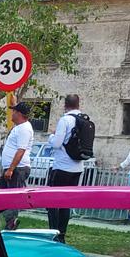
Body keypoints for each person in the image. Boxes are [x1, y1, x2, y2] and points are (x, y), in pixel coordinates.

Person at [44, 92, 85, 242]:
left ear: (65, 105)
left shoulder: (65, 120)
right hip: (77, 167)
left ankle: (54, 234)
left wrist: (51, 136)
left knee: (53, 201)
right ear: (78, 104)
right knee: (66, 203)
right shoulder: (84, 120)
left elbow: (56, 143)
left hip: (62, 166)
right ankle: (62, 234)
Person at [0, 102, 33, 200]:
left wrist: (11, 169)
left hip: (17, 169)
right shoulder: (19, 127)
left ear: (19, 114)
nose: (12, 114)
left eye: (14, 111)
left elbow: (21, 150)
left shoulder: (24, 129)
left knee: (13, 200)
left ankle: (11, 216)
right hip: (12, 169)